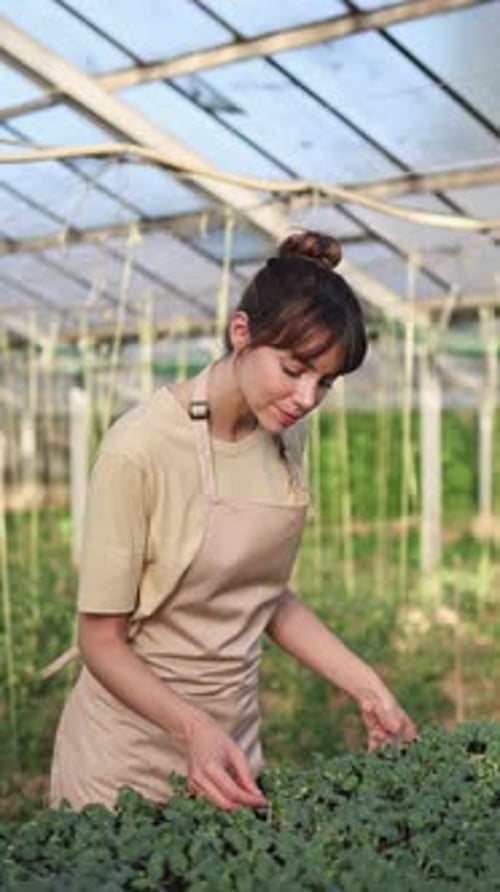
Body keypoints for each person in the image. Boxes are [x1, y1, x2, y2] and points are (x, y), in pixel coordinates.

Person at [49, 230, 417, 813]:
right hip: (127, 759)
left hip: (233, 747)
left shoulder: (283, 435)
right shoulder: (139, 449)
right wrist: (194, 731)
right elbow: (99, 642)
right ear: (240, 333)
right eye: (294, 369)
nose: (306, 397)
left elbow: (261, 593)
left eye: (325, 382)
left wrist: (366, 685)